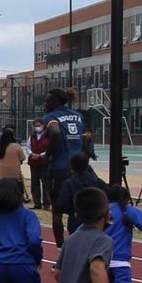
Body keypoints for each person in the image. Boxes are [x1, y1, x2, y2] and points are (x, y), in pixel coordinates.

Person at [42, 88, 86, 246]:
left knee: (57, 212)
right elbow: (86, 137)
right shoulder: (78, 116)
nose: (45, 104)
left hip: (60, 168)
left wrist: (47, 155)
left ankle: (61, 250)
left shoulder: (51, 117)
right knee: (77, 208)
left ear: (55, 102)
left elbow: (54, 132)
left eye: (47, 101)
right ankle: (77, 247)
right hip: (80, 168)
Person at [55, 154, 108, 234]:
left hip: (76, 220)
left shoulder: (69, 183)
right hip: (97, 220)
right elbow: (107, 196)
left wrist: (72, 210)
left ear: (72, 166)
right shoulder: (97, 181)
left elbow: (62, 204)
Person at [0, 126, 27, 201]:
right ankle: (20, 197)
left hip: (2, 173)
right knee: (19, 181)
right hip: (15, 173)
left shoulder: (0, 147)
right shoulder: (16, 146)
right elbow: (23, 158)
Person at [28, 118, 51, 210]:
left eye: (39, 125)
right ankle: (37, 203)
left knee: (46, 183)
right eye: (36, 126)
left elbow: (50, 148)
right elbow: (28, 147)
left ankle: (46, 203)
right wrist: (31, 154)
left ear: (43, 125)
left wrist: (40, 155)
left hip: (44, 162)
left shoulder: (48, 135)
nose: (37, 127)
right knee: (35, 183)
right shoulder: (32, 135)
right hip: (33, 162)